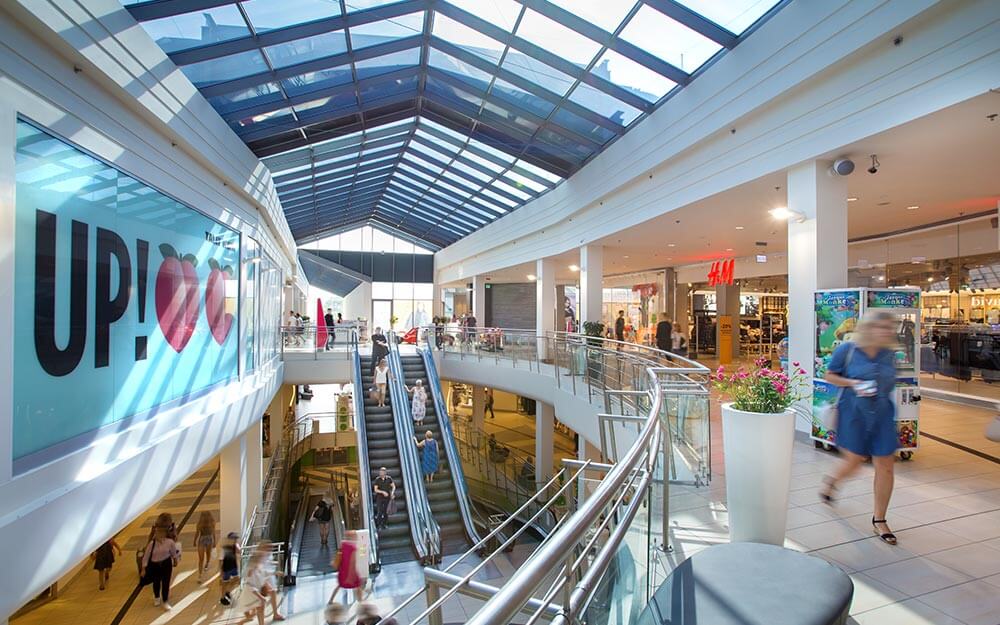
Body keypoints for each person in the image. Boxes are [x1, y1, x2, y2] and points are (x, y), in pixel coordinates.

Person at [818, 311, 901, 546]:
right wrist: (853, 383)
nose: (886, 332)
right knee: (854, 461)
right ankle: (833, 482)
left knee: (885, 465)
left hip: (882, 414)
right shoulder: (848, 349)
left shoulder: (889, 354)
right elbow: (830, 375)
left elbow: (889, 382)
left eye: (889, 328)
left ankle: (880, 519)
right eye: (881, 327)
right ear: (868, 328)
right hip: (853, 413)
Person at [239, 542, 285, 625]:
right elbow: (250, 585)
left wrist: (276, 573)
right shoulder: (251, 571)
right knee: (257, 610)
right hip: (251, 593)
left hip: (254, 591)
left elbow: (264, 573)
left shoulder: (258, 567)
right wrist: (261, 597)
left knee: (259, 608)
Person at [141, 525, 180, 609]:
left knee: (166, 582)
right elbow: (146, 556)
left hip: (166, 563)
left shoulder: (169, 542)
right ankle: (157, 597)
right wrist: (143, 568)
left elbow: (173, 552)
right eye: (157, 533)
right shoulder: (152, 544)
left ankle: (165, 600)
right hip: (155, 565)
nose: (158, 534)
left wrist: (175, 560)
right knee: (156, 581)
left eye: (160, 532)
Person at [329, 530, 366, 606]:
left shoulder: (343, 545)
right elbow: (352, 562)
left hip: (343, 570)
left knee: (339, 585)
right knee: (358, 585)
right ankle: (361, 601)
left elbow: (339, 556)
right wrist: (350, 577)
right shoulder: (353, 548)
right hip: (350, 572)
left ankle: (331, 600)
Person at [194, 511, 216, 580]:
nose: (205, 517)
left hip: (209, 540)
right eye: (204, 516)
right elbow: (197, 533)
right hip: (202, 540)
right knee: (201, 558)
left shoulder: (212, 523)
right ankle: (200, 575)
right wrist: (194, 541)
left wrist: (214, 541)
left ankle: (207, 563)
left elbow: (213, 532)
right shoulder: (199, 524)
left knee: (208, 554)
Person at [219, 532, 240, 606]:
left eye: (235, 539)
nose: (235, 540)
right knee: (225, 583)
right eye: (234, 539)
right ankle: (222, 598)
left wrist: (236, 546)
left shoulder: (235, 546)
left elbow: (239, 551)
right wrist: (221, 572)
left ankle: (227, 591)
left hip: (233, 566)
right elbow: (221, 561)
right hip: (226, 568)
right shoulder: (224, 549)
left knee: (237, 579)